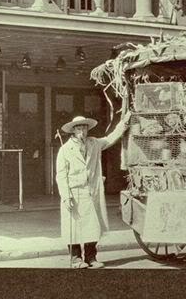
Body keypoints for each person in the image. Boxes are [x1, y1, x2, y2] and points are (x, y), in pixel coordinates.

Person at [56, 113, 130, 269]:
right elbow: (61, 176)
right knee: (74, 227)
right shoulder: (65, 150)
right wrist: (66, 196)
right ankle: (76, 258)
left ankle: (91, 257)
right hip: (74, 192)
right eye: (78, 128)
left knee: (93, 226)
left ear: (87, 129)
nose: (82, 131)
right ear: (73, 131)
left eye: (84, 127)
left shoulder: (94, 144)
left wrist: (124, 123)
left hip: (91, 192)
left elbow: (110, 138)